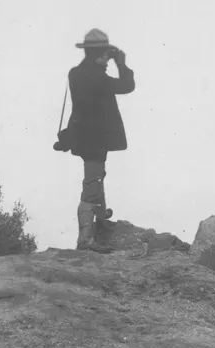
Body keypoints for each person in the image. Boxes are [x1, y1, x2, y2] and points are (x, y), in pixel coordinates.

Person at [59, 28, 135, 253]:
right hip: (95, 139)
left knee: (96, 177)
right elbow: (126, 86)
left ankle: (100, 221)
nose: (107, 60)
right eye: (105, 55)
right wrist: (121, 64)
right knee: (92, 185)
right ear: (99, 54)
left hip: (83, 137)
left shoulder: (76, 73)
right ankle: (86, 240)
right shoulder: (96, 76)